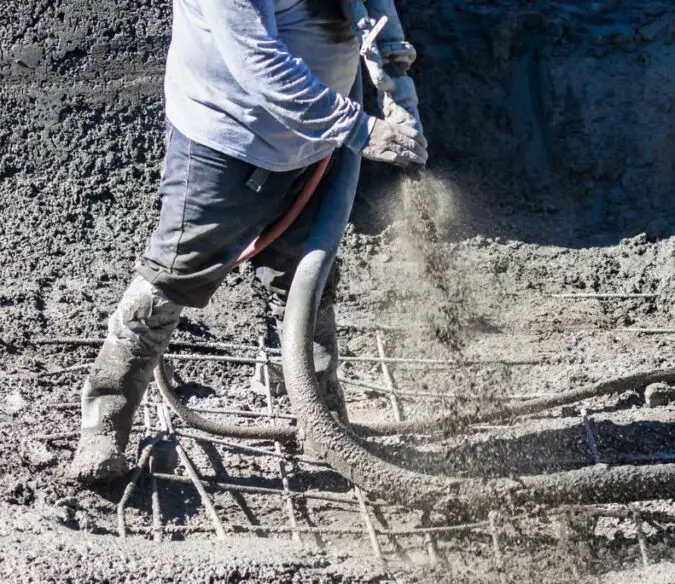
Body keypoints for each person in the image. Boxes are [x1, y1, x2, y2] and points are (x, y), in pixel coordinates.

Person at [67, 0, 428, 484]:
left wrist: (398, 87)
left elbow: (376, 7)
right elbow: (260, 62)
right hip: (228, 140)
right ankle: (105, 420)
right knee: (172, 276)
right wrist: (360, 129)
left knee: (308, 273)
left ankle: (319, 413)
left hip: (320, 136)